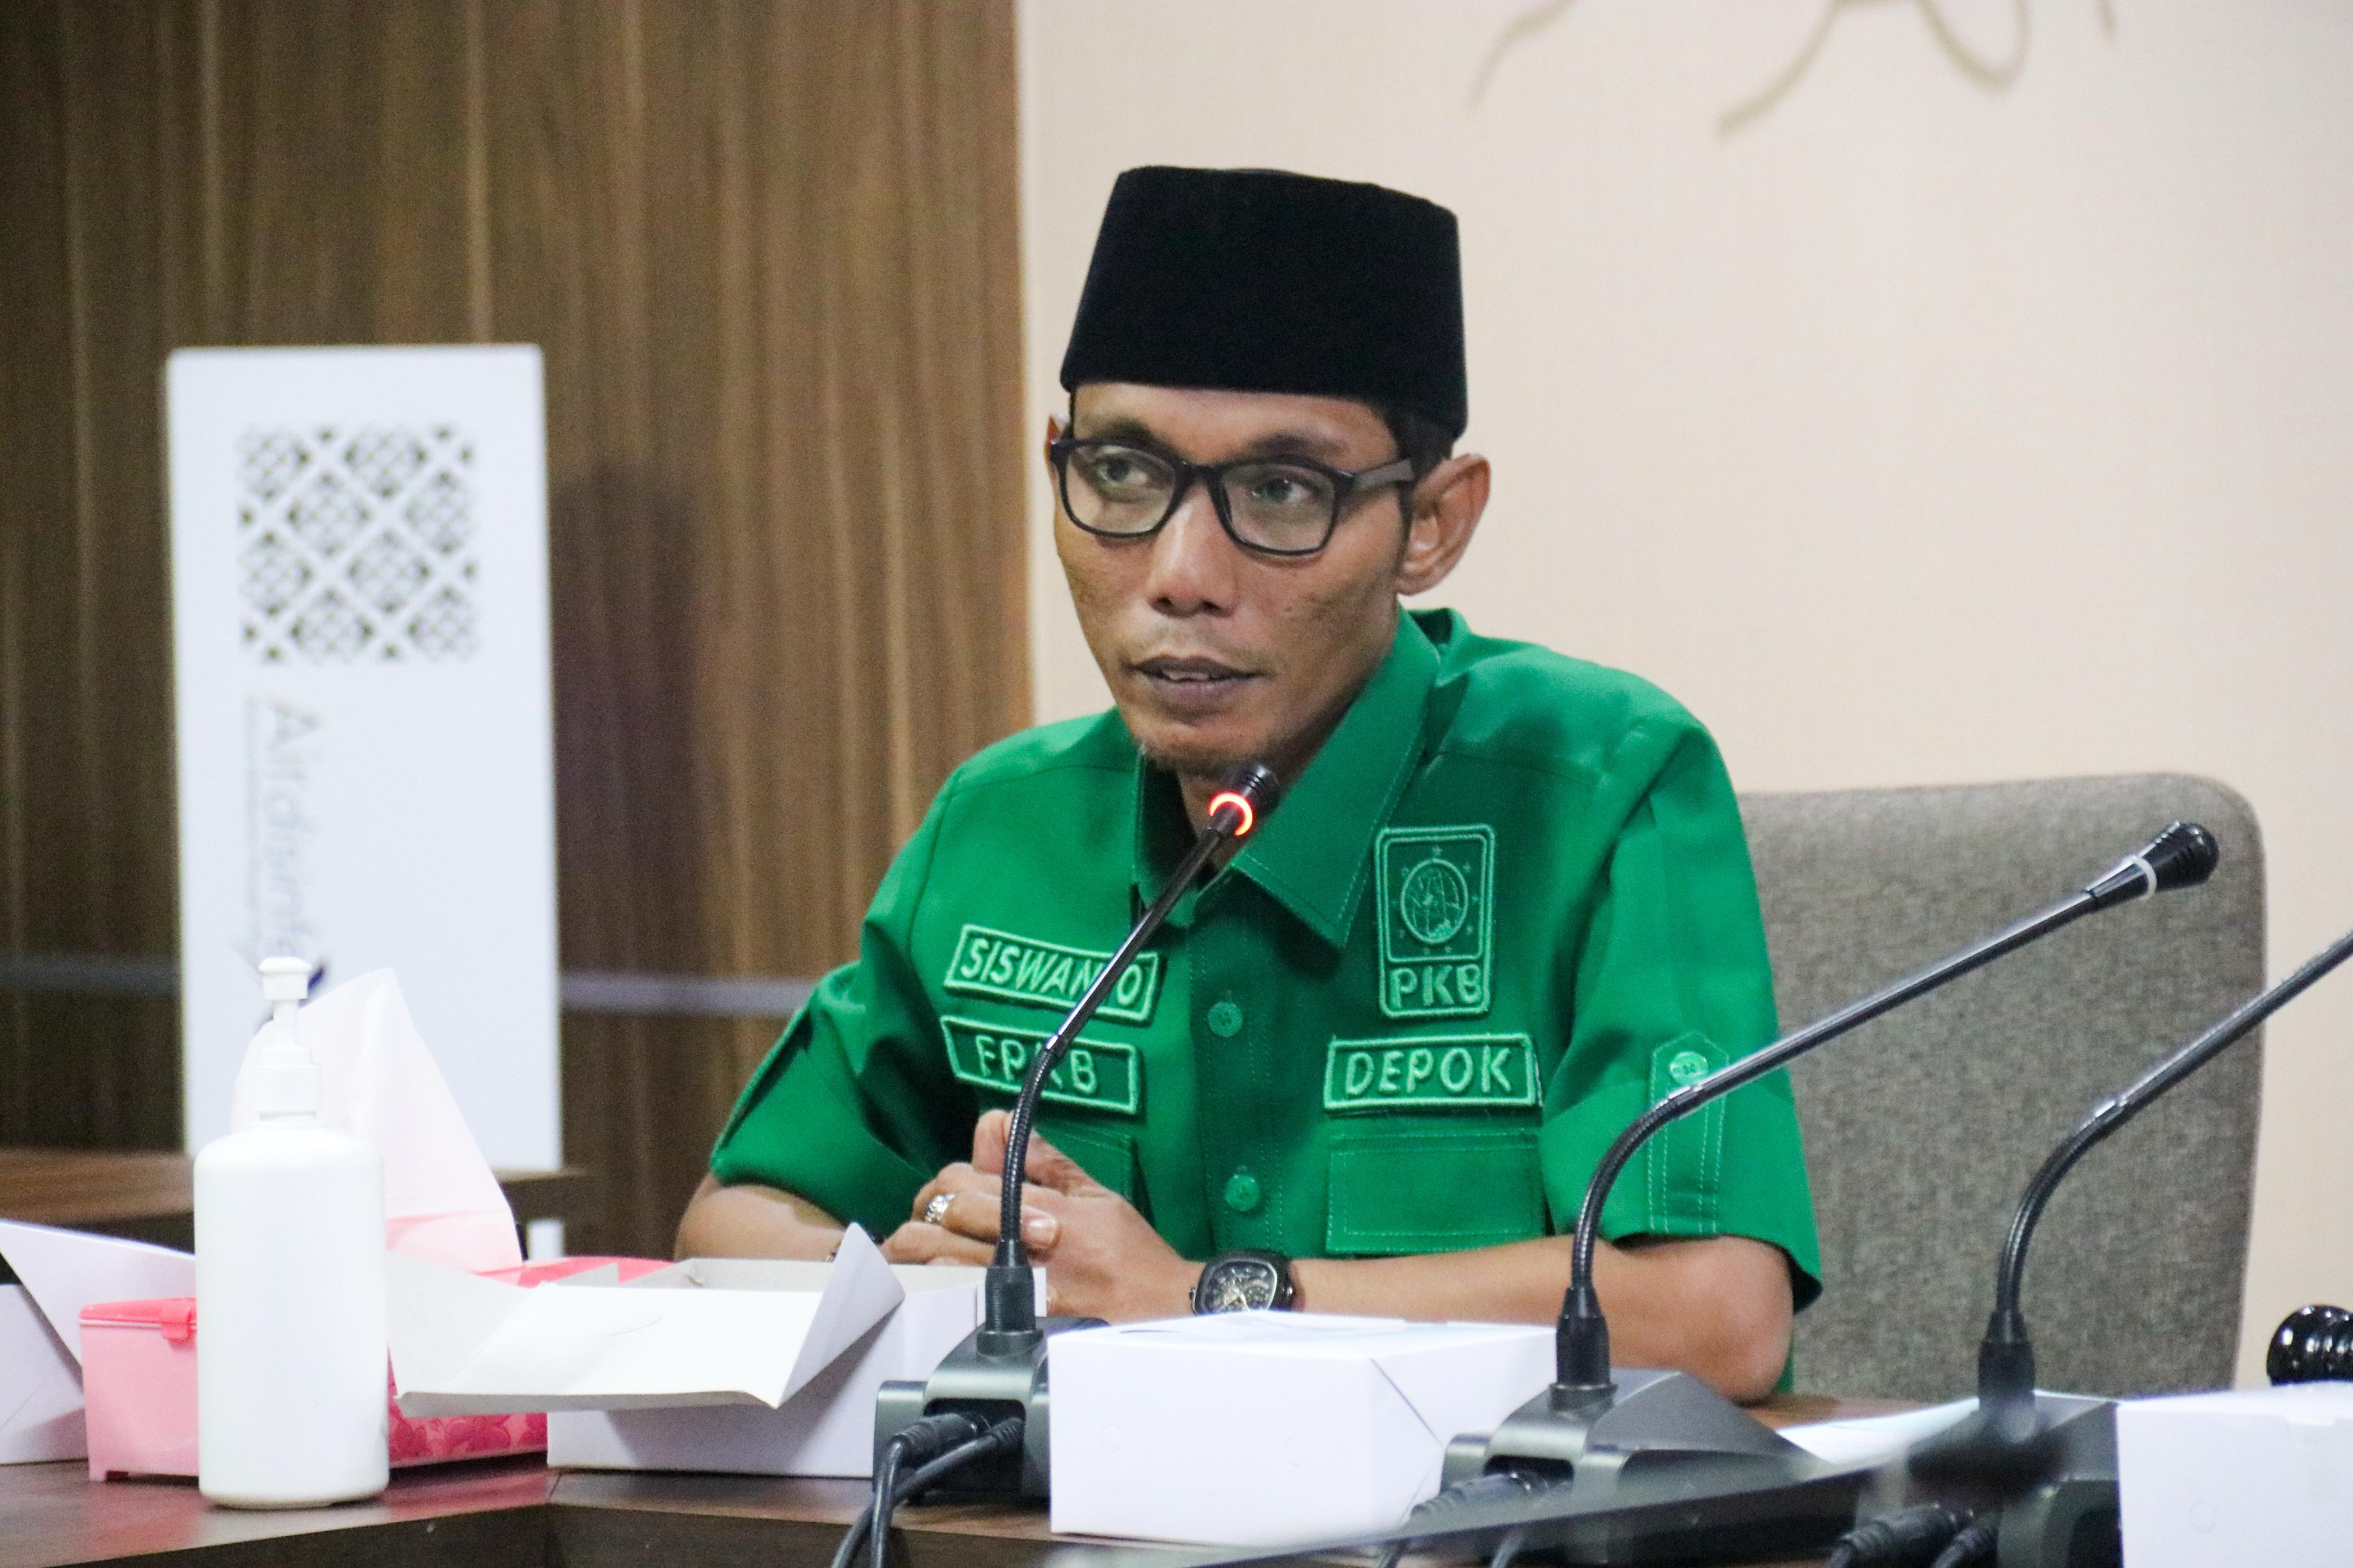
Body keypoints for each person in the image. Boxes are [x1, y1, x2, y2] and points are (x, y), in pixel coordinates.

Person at [676, 166, 1819, 1401]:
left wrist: (1202, 1299)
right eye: (1122, 474)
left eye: (1280, 493)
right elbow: (734, 1220)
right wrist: (946, 1284)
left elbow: (1717, 1315)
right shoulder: (1000, 823)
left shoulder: (1600, 785)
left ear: (1431, 523)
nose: (1182, 573)